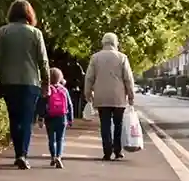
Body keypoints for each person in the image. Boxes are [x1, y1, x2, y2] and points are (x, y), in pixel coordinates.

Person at [0, 0, 50, 169]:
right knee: (26, 119)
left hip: (9, 82)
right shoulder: (35, 33)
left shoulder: (3, 32)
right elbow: (43, 61)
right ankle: (22, 154)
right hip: (30, 83)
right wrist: (46, 82)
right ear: (29, 14)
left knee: (14, 118)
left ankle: (18, 153)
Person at [84, 33, 135, 161]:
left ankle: (107, 151)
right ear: (115, 43)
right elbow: (128, 78)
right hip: (119, 97)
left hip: (102, 97)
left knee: (105, 125)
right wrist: (131, 95)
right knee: (118, 124)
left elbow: (89, 77)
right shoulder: (122, 57)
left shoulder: (95, 58)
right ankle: (118, 151)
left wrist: (88, 92)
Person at [36, 68, 75, 168]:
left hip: (50, 117)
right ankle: (59, 156)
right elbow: (70, 105)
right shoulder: (64, 90)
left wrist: (40, 117)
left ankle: (53, 157)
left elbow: (41, 104)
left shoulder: (46, 90)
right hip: (62, 117)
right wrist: (70, 118)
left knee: (51, 139)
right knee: (60, 139)